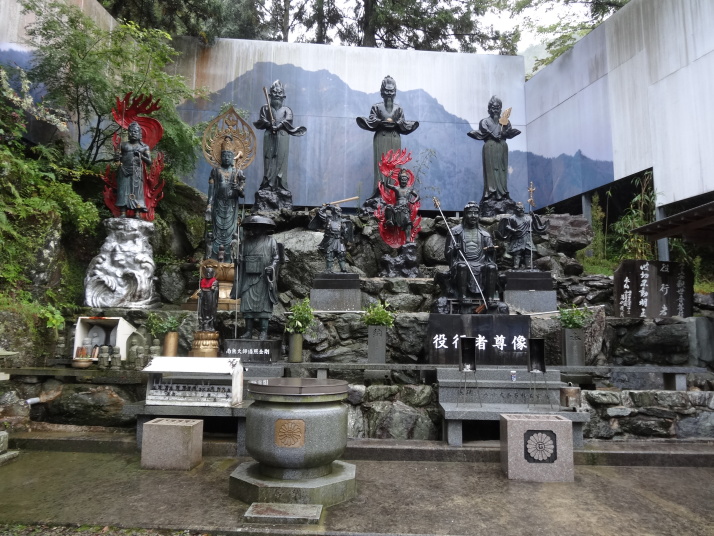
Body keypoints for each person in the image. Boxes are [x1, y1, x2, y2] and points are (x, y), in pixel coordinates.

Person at [356, 76, 419, 196]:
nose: (389, 93)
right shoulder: (376, 107)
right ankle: (379, 192)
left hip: (394, 138)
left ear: (395, 92)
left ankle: (395, 193)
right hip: (381, 137)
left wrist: (397, 123)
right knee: (381, 165)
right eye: (386, 90)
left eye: (391, 91)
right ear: (382, 92)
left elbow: (403, 123)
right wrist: (380, 122)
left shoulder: (398, 109)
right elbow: (372, 120)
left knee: (395, 165)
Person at [253, 80, 306, 191]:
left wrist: (279, 125)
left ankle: (280, 184)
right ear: (270, 95)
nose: (277, 94)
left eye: (279, 92)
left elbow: (288, 119)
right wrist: (269, 124)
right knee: (268, 158)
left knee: (281, 158)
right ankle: (267, 183)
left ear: (283, 96)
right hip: (269, 135)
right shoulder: (265, 108)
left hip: (282, 135)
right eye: (274, 92)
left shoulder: (287, 110)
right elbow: (262, 119)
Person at [232, 215, 279, 340]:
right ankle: (248, 331)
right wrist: (238, 260)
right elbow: (240, 258)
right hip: (248, 277)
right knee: (247, 304)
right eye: (254, 227)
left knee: (264, 306)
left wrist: (272, 267)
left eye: (259, 227)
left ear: (264, 228)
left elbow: (276, 258)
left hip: (263, 278)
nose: (256, 229)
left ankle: (263, 332)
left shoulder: (271, 241)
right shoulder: (245, 242)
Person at [468, 96, 520, 202]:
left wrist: (504, 133)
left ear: (500, 109)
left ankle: (503, 192)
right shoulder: (484, 121)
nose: (495, 110)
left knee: (502, 169)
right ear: (489, 109)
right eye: (493, 108)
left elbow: (508, 131)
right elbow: (484, 131)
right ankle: (491, 192)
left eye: (497, 108)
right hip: (490, 146)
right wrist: (493, 135)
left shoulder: (505, 122)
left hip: (502, 146)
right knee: (491, 169)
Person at [445, 202, 498, 302]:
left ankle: (490, 299)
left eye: (476, 213)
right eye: (470, 213)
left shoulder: (485, 234)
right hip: (462, 262)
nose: (473, 216)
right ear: (465, 214)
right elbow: (447, 254)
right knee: (462, 266)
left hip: (481, 263)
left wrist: (491, 251)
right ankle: (463, 297)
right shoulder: (455, 232)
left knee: (491, 267)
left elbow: (492, 256)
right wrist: (454, 250)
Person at [205, 136, 245, 263]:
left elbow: (242, 194)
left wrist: (238, 189)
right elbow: (211, 190)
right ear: (220, 156)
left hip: (231, 207)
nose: (226, 158)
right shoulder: (215, 171)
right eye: (224, 155)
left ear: (233, 157)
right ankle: (213, 256)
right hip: (218, 205)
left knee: (231, 231)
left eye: (229, 155)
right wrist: (209, 205)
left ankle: (230, 257)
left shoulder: (238, 173)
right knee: (216, 231)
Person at [115, 121, 152, 217]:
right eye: (130, 132)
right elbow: (117, 161)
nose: (133, 133)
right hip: (124, 170)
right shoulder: (122, 145)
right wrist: (117, 158)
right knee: (123, 191)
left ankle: (137, 213)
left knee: (137, 192)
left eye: (135, 132)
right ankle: (123, 212)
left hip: (137, 172)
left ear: (140, 133)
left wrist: (141, 156)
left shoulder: (144, 147)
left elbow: (149, 162)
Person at [500, 202, 549, 269]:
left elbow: (534, 225)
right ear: (516, 209)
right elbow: (507, 226)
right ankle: (516, 265)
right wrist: (514, 230)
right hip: (517, 237)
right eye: (519, 208)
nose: (521, 210)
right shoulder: (512, 218)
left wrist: (533, 216)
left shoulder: (528, 217)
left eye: (522, 208)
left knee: (528, 251)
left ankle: (528, 265)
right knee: (517, 252)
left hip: (527, 236)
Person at [310, 204, 351, 273]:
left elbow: (344, 233)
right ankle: (328, 269)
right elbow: (320, 213)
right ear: (334, 211)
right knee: (329, 254)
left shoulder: (342, 221)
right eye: (337, 210)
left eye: (340, 211)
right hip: (330, 240)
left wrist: (345, 234)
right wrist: (325, 207)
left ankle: (343, 269)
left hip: (339, 240)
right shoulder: (327, 219)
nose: (339, 212)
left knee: (341, 254)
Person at [382, 169, 420, 243]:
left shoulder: (409, 189)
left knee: (408, 223)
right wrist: (389, 176)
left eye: (405, 180)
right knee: (389, 207)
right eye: (402, 179)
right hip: (397, 208)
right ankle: (390, 220)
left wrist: (413, 201)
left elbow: (418, 196)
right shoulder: (397, 188)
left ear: (407, 180)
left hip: (405, 209)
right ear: (399, 180)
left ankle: (408, 239)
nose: (403, 181)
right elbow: (387, 185)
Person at [197, 266, 219, 332]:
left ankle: (210, 324)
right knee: (203, 310)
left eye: (210, 273)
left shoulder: (215, 281)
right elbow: (201, 289)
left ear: (213, 273)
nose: (208, 274)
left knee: (210, 309)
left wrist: (214, 289)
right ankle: (203, 324)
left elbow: (215, 290)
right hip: (204, 297)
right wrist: (200, 293)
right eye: (207, 273)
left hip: (211, 297)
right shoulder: (203, 281)